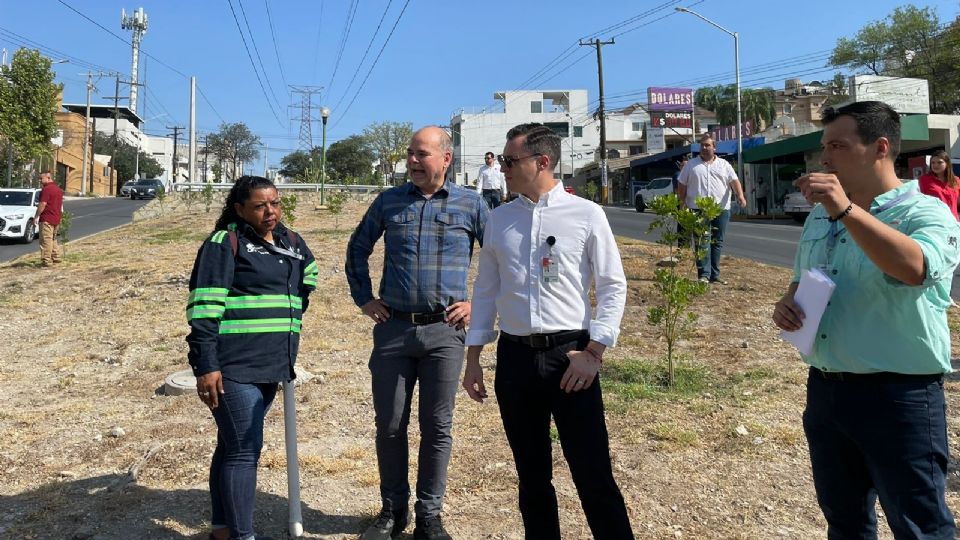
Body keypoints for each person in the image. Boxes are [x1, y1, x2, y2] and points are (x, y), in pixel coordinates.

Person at [772, 101, 959, 539]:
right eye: (824, 146)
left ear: (879, 148)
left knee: (920, 526)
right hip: (827, 391)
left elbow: (915, 268)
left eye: (837, 145)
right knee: (846, 522)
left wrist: (846, 211)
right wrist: (788, 303)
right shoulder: (821, 215)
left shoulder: (925, 211)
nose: (825, 157)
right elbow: (805, 278)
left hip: (900, 397)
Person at [462, 123, 634, 539]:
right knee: (532, 478)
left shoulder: (586, 214)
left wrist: (594, 352)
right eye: (502, 160)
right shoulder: (500, 219)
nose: (501, 167)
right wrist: (473, 358)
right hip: (516, 359)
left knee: (593, 474)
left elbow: (613, 285)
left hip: (570, 358)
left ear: (542, 162)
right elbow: (485, 290)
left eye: (509, 160)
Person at [345, 126, 488, 540]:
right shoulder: (389, 201)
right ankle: (392, 512)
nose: (412, 161)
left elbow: (501, 258)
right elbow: (358, 247)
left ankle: (429, 516)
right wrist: (364, 298)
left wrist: (478, 304)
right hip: (393, 331)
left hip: (445, 332)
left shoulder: (471, 203)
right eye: (410, 154)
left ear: (446, 158)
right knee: (390, 424)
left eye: (422, 154)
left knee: (437, 426)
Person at [186, 176, 318, 540]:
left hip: (274, 363)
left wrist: (291, 310)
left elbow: (309, 274)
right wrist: (206, 365)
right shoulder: (224, 244)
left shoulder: (291, 242)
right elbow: (204, 310)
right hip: (233, 366)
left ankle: (222, 529)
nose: (270, 211)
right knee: (245, 448)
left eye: (274, 203)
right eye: (260, 206)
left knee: (231, 445)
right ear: (239, 208)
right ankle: (243, 535)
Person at [677, 134, 747, 284]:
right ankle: (704, 274)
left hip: (720, 209)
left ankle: (715, 275)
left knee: (717, 241)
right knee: (702, 241)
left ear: (714, 148)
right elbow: (682, 185)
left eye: (708, 145)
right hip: (697, 209)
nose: (704, 148)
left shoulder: (724, 165)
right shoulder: (691, 165)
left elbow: (734, 181)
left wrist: (740, 196)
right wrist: (681, 203)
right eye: (702, 145)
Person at [918, 150, 959, 221]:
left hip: (954, 221)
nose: (935, 165)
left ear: (947, 164)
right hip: (935, 221)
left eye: (939, 162)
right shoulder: (924, 179)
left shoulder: (956, 180)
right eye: (933, 163)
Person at [34, 171, 63, 267]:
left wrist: (36, 216)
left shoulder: (46, 189)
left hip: (47, 218)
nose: (40, 181)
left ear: (48, 177)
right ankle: (56, 257)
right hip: (56, 218)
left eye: (41, 178)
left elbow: (43, 204)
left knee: (45, 240)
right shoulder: (58, 189)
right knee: (53, 239)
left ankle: (46, 261)